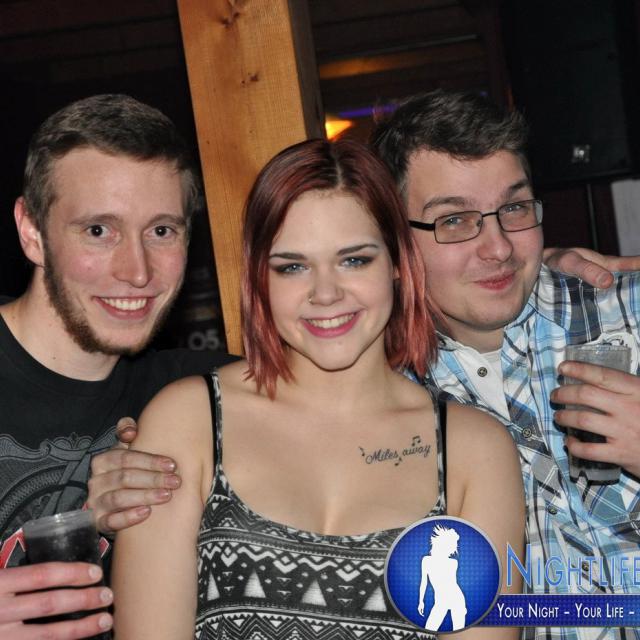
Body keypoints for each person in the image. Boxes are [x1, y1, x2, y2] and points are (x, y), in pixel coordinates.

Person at [112, 138, 524, 639]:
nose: (325, 293)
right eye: (293, 266)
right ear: (259, 278)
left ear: (398, 262)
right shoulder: (186, 422)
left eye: (354, 260)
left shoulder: (474, 450)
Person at [370, 89, 640, 640]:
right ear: (395, 243)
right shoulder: (381, 405)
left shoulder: (631, 312)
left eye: (514, 209)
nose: (498, 248)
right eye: (454, 220)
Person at [0, 94, 232, 639]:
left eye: (161, 231)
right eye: (98, 231)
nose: (137, 271)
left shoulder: (197, 394)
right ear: (32, 232)